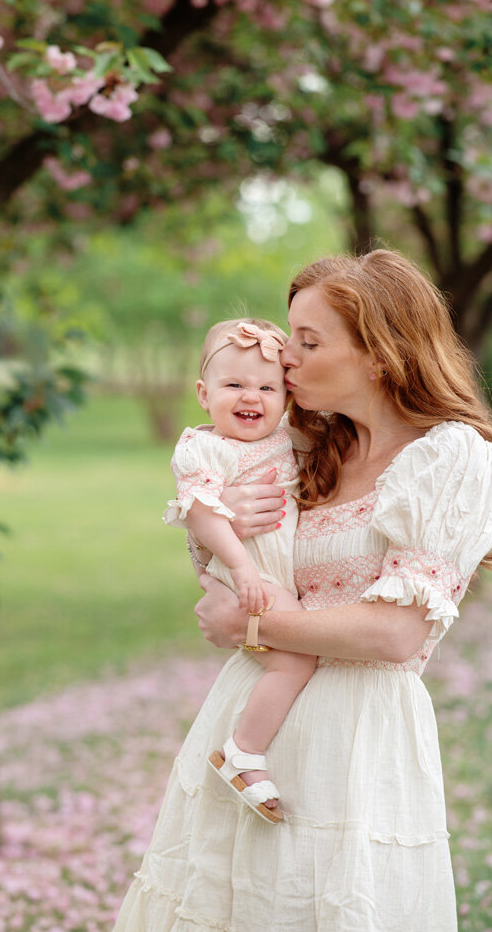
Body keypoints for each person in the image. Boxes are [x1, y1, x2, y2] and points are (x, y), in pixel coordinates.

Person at [113, 250, 492, 932]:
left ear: (378, 355)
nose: (284, 361)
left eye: (307, 344)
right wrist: (220, 527)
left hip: (355, 740)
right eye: (289, 340)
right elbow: (224, 545)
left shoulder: (448, 457)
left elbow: (392, 634)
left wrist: (246, 627)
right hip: (250, 723)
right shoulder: (310, 448)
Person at [163, 318, 317, 823]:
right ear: (204, 394)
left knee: (296, 655)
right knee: (295, 660)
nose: (251, 396)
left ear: (286, 397)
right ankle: (243, 752)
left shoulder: (283, 439)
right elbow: (201, 512)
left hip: (267, 572)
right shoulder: (206, 449)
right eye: (234, 385)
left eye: (266, 386)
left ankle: (246, 750)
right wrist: (240, 568)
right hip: (247, 576)